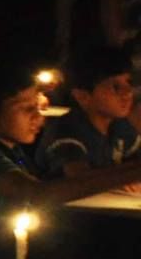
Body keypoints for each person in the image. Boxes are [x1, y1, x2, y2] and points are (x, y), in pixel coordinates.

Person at [0, 60, 141, 259]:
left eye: (38, 107)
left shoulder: (13, 150)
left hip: (26, 254)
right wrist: (131, 172)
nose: (38, 116)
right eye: (26, 109)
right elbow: (37, 194)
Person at [38, 46, 140, 175]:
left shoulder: (120, 126)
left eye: (129, 83)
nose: (128, 92)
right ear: (83, 96)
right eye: (115, 87)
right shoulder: (66, 130)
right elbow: (78, 179)